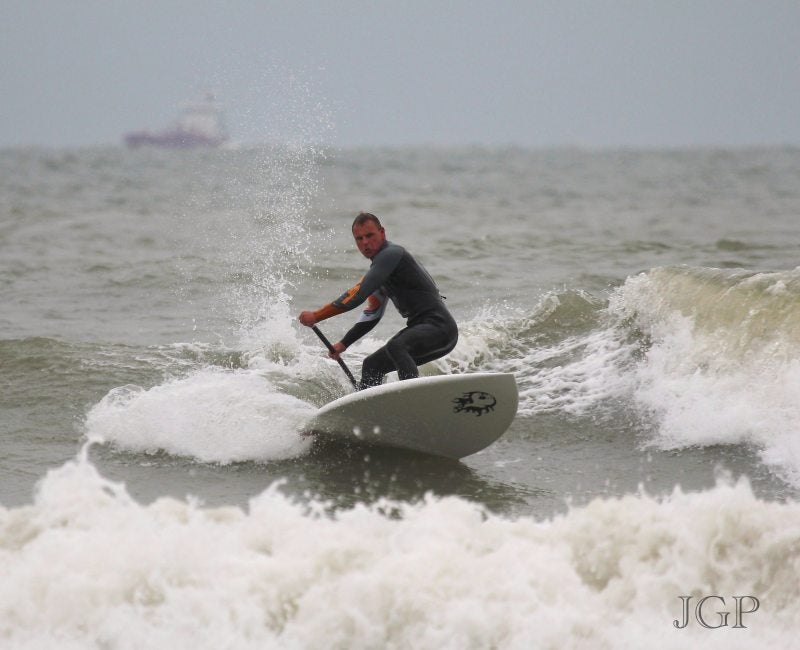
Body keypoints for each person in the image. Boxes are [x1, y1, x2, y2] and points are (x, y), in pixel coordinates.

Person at [299, 212, 458, 389]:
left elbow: (355, 297)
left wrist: (316, 316)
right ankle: (370, 402)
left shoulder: (391, 254)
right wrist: (344, 344)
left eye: (369, 235)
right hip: (424, 330)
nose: (365, 243)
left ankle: (413, 397)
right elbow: (372, 314)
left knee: (397, 346)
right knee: (372, 365)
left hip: (440, 328)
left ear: (382, 233)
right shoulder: (382, 271)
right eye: (359, 239)